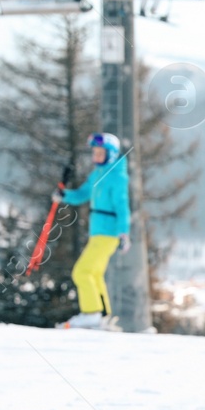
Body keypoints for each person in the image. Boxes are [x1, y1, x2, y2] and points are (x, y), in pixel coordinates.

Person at [55, 132, 130, 329]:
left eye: (100, 153)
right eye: (94, 153)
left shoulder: (117, 177)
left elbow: (123, 206)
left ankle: (91, 313)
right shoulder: (97, 174)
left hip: (108, 233)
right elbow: (82, 194)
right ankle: (103, 314)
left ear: (111, 155)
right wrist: (64, 195)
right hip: (98, 232)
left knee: (82, 272)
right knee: (94, 273)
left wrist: (124, 232)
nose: (96, 157)